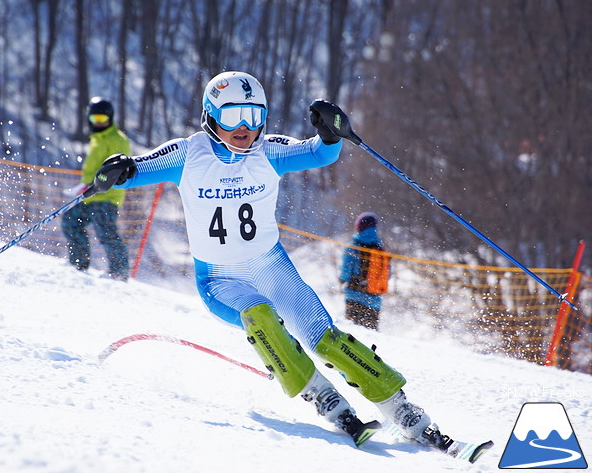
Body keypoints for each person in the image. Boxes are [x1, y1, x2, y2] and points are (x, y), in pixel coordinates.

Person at [85, 71, 462, 452]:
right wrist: (116, 173)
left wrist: (332, 133)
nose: (244, 127)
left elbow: (319, 152)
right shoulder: (189, 154)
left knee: (325, 338)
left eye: (253, 114)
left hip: (271, 268)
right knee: (261, 315)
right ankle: (320, 394)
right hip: (220, 281)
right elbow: (137, 170)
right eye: (232, 116)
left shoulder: (268, 151)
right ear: (211, 115)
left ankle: (400, 407)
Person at [61, 97, 130, 280]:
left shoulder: (117, 140)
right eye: (95, 120)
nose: (98, 124)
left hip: (107, 196)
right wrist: (84, 185)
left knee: (105, 231)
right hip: (89, 194)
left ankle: (119, 272)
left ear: (110, 119)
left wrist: (98, 184)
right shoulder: (96, 139)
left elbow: (117, 170)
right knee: (70, 222)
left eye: (102, 120)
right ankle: (78, 263)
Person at [340, 212, 390, 330]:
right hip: (374, 301)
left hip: (354, 297)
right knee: (370, 335)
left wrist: (342, 279)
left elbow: (345, 272)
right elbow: (387, 275)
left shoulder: (353, 247)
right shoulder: (381, 249)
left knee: (352, 333)